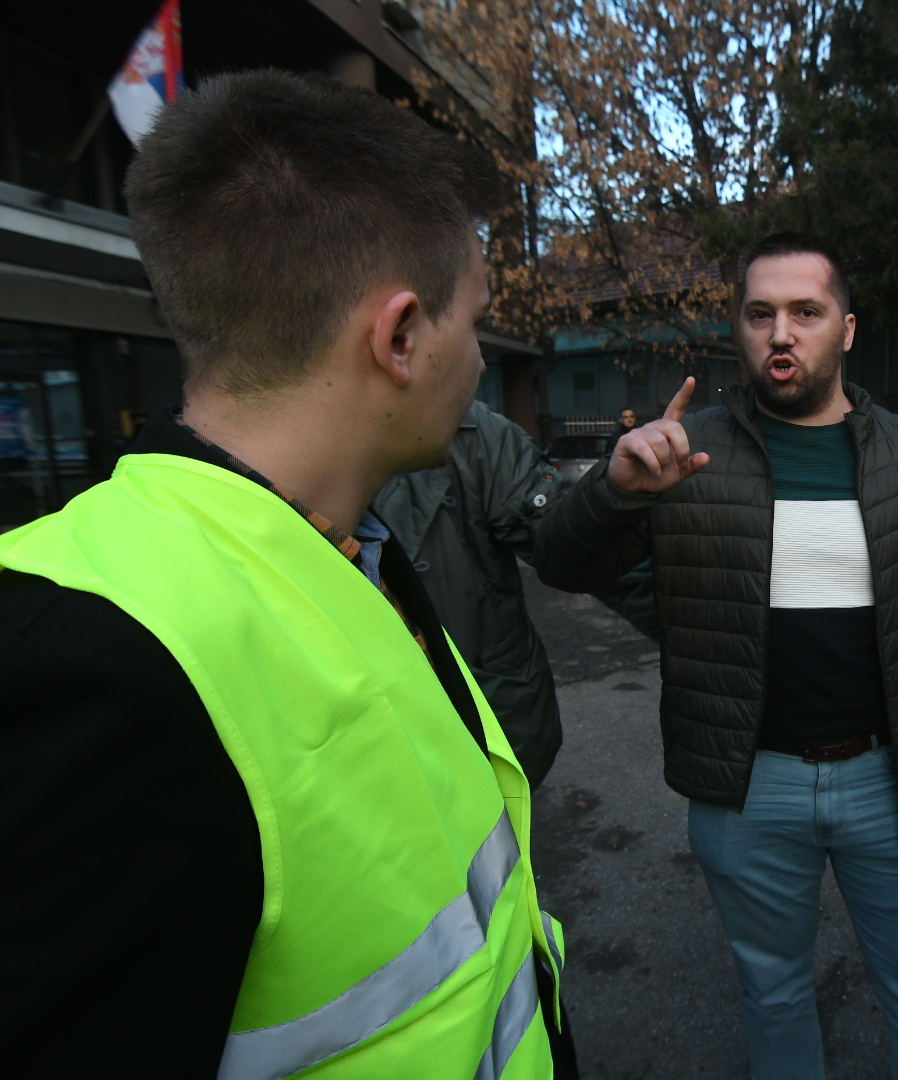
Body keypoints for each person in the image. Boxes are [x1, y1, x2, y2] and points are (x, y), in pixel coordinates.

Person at [0, 72, 571, 1077]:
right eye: (472, 323)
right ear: (398, 339)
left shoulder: (345, 545)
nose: (481, 360)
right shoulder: (92, 677)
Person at [535, 231, 898, 1080]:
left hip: (895, 777)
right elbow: (561, 563)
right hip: (746, 789)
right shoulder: (681, 453)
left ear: (846, 330)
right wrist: (614, 490)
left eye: (806, 313)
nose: (782, 332)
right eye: (760, 313)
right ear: (737, 329)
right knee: (772, 997)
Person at [373, 399, 573, 785]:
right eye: (468, 334)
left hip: (500, 726)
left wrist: (613, 496)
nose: (481, 362)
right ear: (394, 342)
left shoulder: (477, 432)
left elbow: (575, 551)